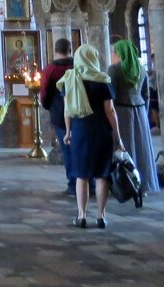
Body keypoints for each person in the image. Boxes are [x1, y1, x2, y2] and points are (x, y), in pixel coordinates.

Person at [59, 44, 124, 228]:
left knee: (82, 175)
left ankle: (81, 215)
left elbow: (68, 109)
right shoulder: (102, 80)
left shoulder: (70, 79)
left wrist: (68, 131)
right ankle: (101, 216)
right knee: (102, 175)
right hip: (101, 130)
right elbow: (110, 110)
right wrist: (118, 136)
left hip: (80, 129)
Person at [108, 39, 160, 193]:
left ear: (120, 53)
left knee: (124, 146)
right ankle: (142, 182)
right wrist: (144, 112)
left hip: (121, 112)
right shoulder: (141, 69)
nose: (113, 55)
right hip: (139, 112)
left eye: (114, 52)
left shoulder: (114, 70)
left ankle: (124, 184)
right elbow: (146, 94)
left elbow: (111, 94)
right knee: (141, 147)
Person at [40, 38, 77, 195]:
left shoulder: (50, 69)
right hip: (81, 111)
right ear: (70, 50)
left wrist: (50, 106)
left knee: (67, 149)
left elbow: (44, 93)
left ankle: (74, 184)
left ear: (55, 50)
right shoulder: (77, 66)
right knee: (82, 147)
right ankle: (90, 183)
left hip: (60, 113)